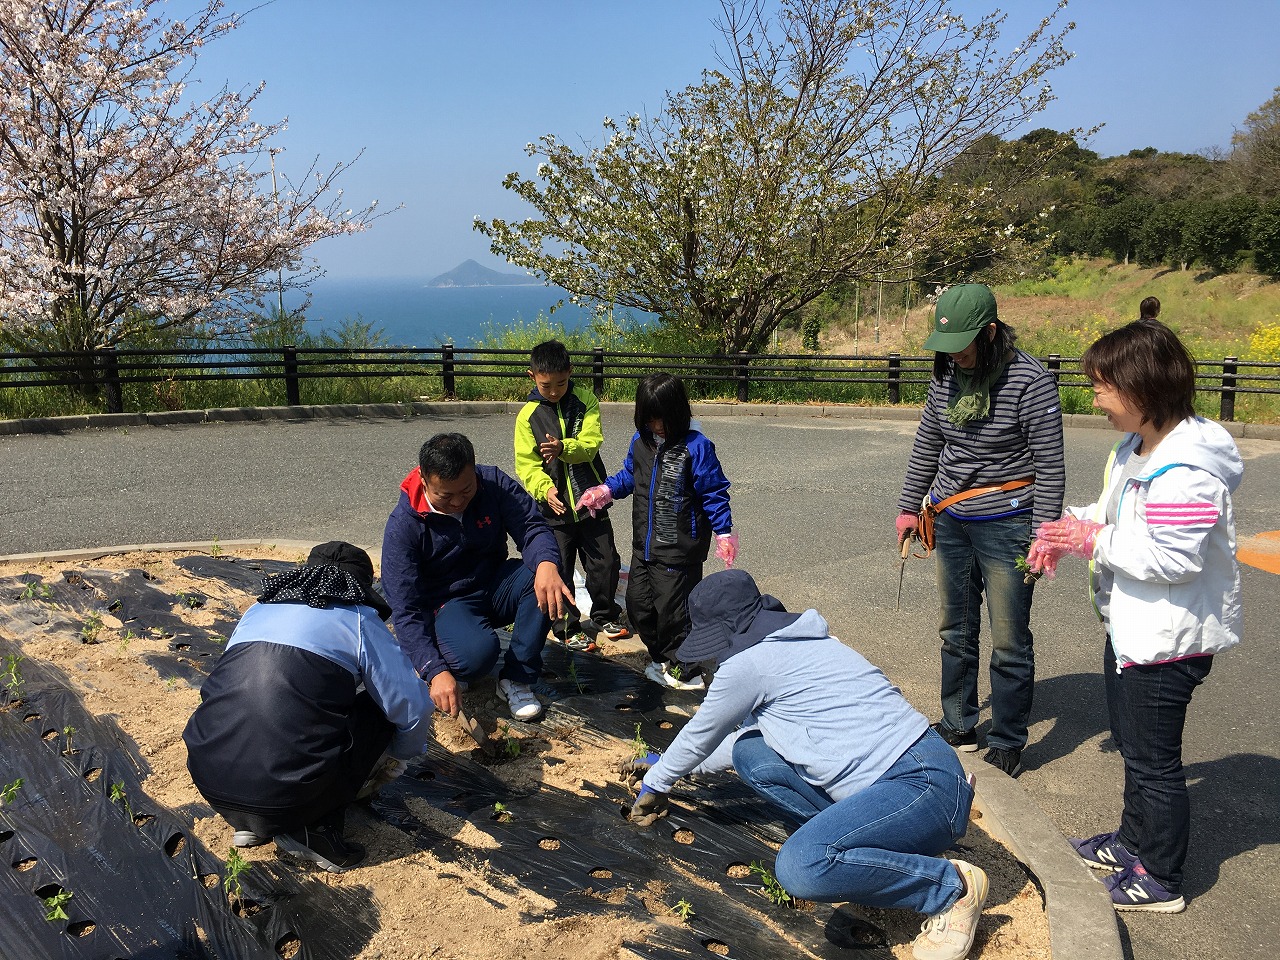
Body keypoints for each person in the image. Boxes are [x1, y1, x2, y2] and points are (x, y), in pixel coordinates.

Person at [622, 569, 987, 960]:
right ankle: (889, 855)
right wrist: (676, 767)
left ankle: (951, 889)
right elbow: (737, 743)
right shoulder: (799, 641)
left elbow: (701, 733)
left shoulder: (748, 665)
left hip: (920, 784)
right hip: (920, 779)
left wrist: (658, 782)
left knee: (801, 866)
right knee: (751, 752)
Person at [1029, 319, 1242, 913]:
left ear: (1142, 389)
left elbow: (1172, 559)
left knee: (1154, 761)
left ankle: (1162, 877)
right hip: (1131, 626)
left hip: (1167, 636)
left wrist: (1090, 540)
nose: (1094, 398)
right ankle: (1130, 843)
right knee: (1133, 747)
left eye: (1102, 387)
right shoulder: (1137, 447)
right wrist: (1068, 526)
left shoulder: (1187, 470)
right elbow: (1109, 510)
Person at [896, 283, 1066, 777]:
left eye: (964, 345)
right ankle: (958, 721)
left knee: (1010, 638)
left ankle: (1009, 737)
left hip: (1010, 521)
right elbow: (928, 441)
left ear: (990, 332)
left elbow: (1050, 465)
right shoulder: (947, 374)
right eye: (946, 348)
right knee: (955, 628)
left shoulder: (1030, 381)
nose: (954, 357)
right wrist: (910, 508)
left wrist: (1044, 536)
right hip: (951, 518)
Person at [183, 542, 434, 874]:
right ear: (360, 585)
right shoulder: (357, 618)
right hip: (288, 792)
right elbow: (410, 703)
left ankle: (251, 822)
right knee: (378, 711)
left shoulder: (259, 610)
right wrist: (401, 755)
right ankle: (314, 828)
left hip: (210, 778)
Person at [381, 432, 575, 721]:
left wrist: (547, 562)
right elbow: (405, 607)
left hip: (495, 582)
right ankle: (446, 658)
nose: (458, 502)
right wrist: (434, 669)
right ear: (424, 480)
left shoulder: (492, 482)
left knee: (550, 581)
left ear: (474, 472)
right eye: (445, 496)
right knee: (477, 657)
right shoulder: (404, 526)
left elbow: (531, 526)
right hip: (447, 602)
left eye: (466, 490)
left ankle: (517, 678)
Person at [577, 372, 735, 690]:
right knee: (638, 608)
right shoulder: (641, 443)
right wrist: (605, 491)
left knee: (674, 614)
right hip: (644, 547)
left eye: (662, 420)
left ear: (678, 412)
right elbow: (628, 476)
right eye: (649, 420)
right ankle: (663, 659)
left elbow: (713, 491)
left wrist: (724, 531)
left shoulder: (697, 447)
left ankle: (684, 670)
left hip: (679, 551)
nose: (657, 427)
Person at [514, 339, 628, 651]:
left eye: (561, 383)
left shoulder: (585, 400)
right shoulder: (528, 415)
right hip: (555, 510)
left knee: (604, 561)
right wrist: (545, 489)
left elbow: (592, 443)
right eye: (546, 385)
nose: (554, 391)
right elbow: (526, 465)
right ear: (532, 377)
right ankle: (565, 626)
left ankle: (605, 614)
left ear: (570, 373)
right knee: (560, 569)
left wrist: (564, 448)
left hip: (591, 500)